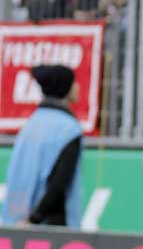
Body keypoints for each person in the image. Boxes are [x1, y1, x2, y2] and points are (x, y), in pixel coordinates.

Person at [1, 65, 83, 228]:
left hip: (15, 221)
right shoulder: (69, 129)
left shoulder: (31, 124)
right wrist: (34, 218)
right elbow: (59, 185)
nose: (77, 87)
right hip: (49, 226)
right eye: (74, 82)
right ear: (65, 87)